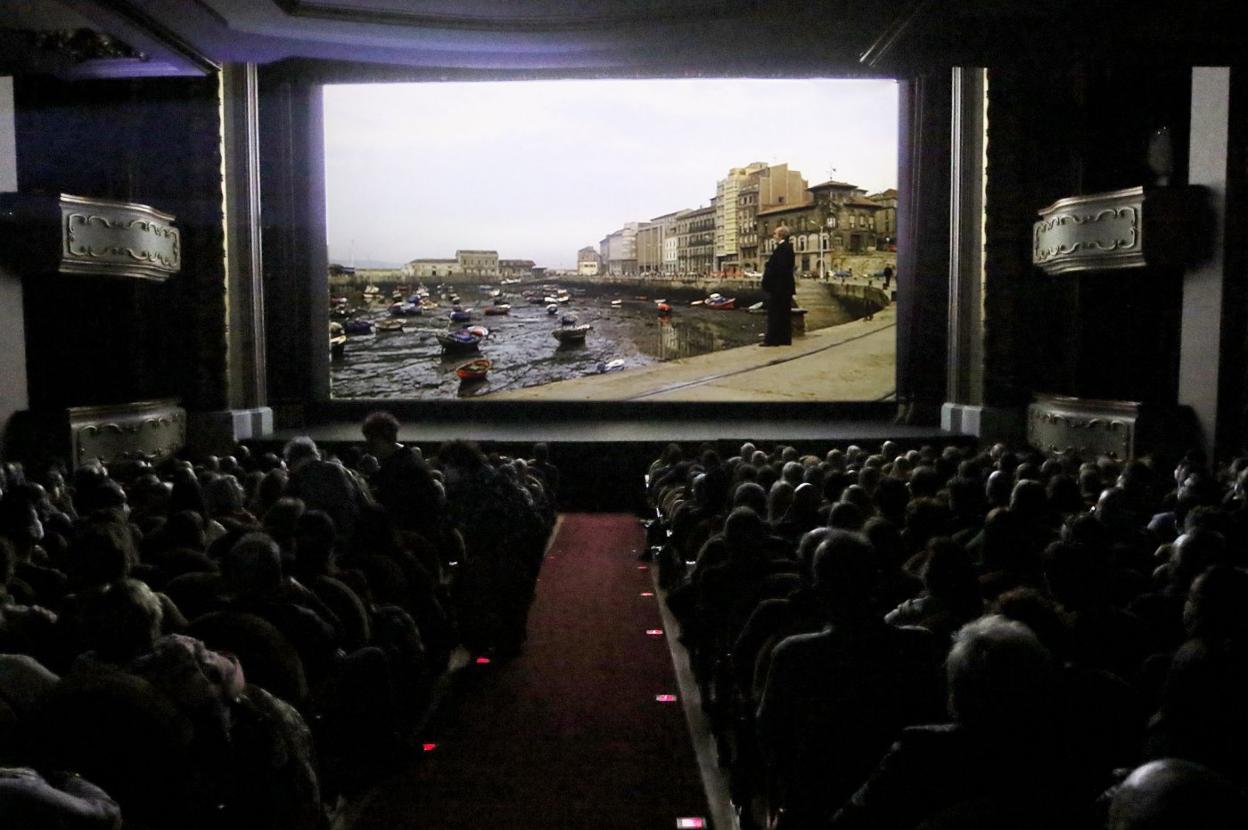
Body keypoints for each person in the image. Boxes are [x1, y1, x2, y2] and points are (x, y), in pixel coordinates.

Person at [761, 225, 795, 346]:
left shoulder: (782, 249)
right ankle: (784, 339)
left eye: (775, 234)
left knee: (775, 314)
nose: (773, 236)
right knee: (784, 314)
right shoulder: (788, 248)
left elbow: (779, 269)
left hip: (778, 289)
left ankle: (772, 340)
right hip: (785, 288)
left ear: (780, 235)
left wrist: (768, 269)